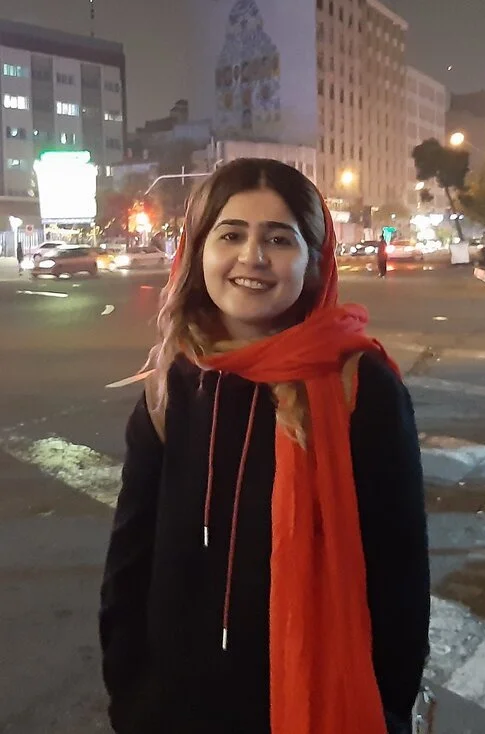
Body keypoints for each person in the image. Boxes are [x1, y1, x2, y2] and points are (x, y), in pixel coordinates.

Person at [99, 159, 430, 734]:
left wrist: (387, 710)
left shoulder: (360, 387)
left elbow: (400, 576)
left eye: (279, 239)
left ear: (313, 261)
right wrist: (131, 696)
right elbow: (129, 561)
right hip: (178, 711)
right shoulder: (174, 386)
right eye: (231, 235)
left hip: (321, 703)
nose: (252, 257)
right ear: (199, 251)